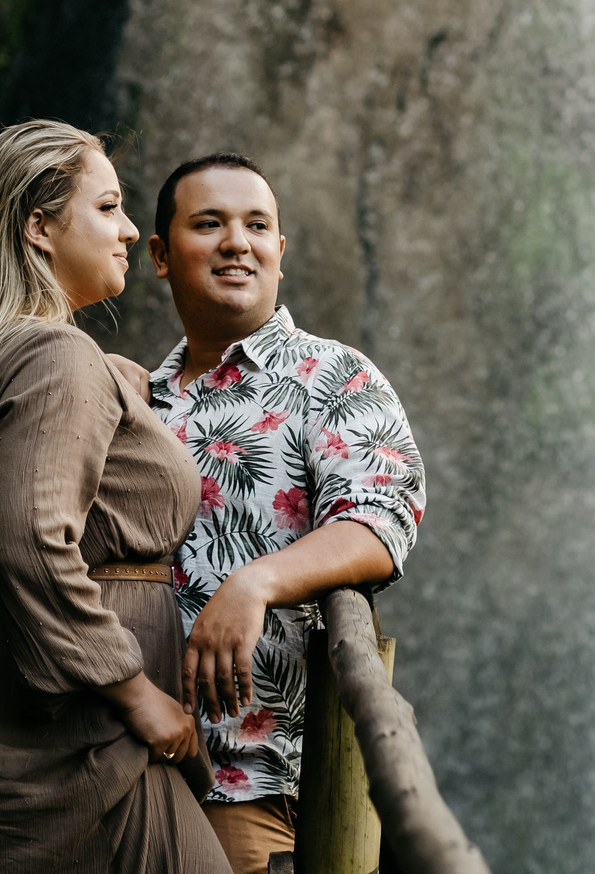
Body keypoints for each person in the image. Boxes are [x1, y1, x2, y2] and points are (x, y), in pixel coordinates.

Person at [0, 120, 231, 874]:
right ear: (38, 227)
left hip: (23, 730)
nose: (131, 230)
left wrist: (116, 397)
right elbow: (27, 536)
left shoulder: (15, 353)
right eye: (108, 207)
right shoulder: (56, 356)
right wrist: (136, 694)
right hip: (58, 743)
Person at [146, 152, 426, 874]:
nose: (236, 242)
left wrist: (255, 583)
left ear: (280, 250)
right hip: (120, 772)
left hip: (251, 785)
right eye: (209, 224)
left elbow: (381, 522)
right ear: (161, 256)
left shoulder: (332, 376)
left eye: (256, 225)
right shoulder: (137, 400)